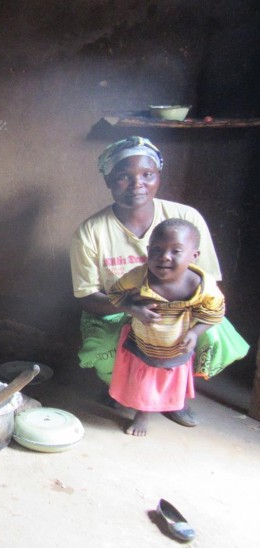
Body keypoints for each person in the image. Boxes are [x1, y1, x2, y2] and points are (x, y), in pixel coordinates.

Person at [70, 136, 249, 427]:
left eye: (147, 175)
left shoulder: (185, 217)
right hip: (115, 309)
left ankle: (172, 396)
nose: (136, 184)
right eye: (123, 177)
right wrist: (130, 308)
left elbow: (209, 283)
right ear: (108, 181)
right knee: (103, 351)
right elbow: (86, 297)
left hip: (181, 310)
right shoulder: (91, 231)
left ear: (158, 178)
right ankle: (121, 389)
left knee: (210, 337)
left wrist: (184, 320)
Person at [106, 219, 225, 436]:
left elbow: (215, 314)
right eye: (157, 250)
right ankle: (142, 412)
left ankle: (173, 405)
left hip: (176, 345)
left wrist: (195, 333)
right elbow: (114, 294)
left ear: (194, 256)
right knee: (144, 379)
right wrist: (133, 309)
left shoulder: (203, 287)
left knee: (170, 378)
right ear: (148, 250)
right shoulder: (139, 275)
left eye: (176, 251)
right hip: (144, 341)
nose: (165, 257)